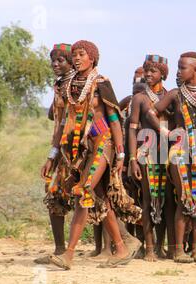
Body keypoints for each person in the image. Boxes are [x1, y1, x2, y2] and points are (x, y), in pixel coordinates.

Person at [48, 40, 132, 270]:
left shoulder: (101, 84)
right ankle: (122, 248)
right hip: (80, 150)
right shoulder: (69, 86)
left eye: (81, 54)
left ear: (92, 58)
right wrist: (53, 155)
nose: (76, 58)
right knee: (101, 197)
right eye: (74, 54)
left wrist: (122, 154)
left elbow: (114, 120)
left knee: (83, 192)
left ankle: (69, 254)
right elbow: (63, 122)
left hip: (103, 145)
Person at [147, 51, 196, 264]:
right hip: (180, 151)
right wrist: (166, 132)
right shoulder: (175, 94)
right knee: (185, 198)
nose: (178, 72)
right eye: (178, 67)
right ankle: (178, 251)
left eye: (182, 68)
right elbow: (151, 112)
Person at [128, 54, 174, 261]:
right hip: (147, 151)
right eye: (146, 70)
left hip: (168, 152)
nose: (148, 74)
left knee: (168, 200)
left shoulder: (171, 96)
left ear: (163, 74)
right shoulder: (139, 98)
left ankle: (162, 246)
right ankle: (148, 247)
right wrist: (132, 159)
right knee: (149, 199)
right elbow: (132, 130)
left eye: (153, 71)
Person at [36, 43, 76, 264]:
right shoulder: (61, 85)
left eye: (60, 60)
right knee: (54, 193)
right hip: (62, 149)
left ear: (71, 62)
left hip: (77, 150)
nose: (55, 64)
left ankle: (122, 242)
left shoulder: (77, 85)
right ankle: (60, 250)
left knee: (93, 198)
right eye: (53, 60)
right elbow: (56, 117)